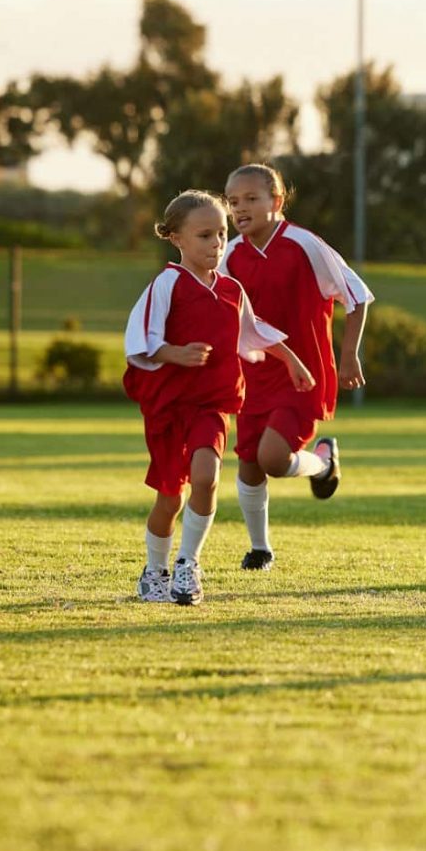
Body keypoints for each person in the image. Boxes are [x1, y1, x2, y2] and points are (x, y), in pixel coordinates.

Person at [124, 190, 314, 605]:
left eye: (222, 234)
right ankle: (154, 571)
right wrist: (175, 353)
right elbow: (141, 339)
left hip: (211, 405)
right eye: (205, 235)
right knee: (170, 497)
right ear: (177, 238)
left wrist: (292, 360)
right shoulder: (167, 284)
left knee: (207, 478)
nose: (216, 244)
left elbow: (254, 331)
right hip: (169, 408)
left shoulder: (231, 290)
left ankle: (187, 565)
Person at [221, 163, 374, 572]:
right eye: (233, 201)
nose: (240, 208)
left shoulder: (304, 244)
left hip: (303, 375)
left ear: (276, 201)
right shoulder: (230, 255)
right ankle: (260, 549)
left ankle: (322, 463)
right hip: (252, 377)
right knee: (249, 462)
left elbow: (357, 296)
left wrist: (348, 355)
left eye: (251, 199)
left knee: (273, 459)